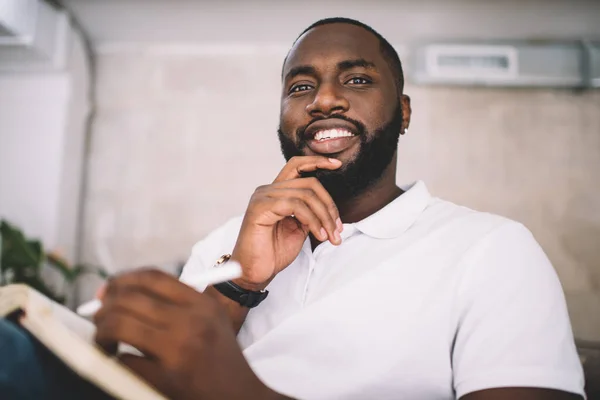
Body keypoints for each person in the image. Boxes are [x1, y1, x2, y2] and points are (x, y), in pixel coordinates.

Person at [0, 17, 585, 400]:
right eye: (300, 88)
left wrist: (234, 388)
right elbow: (149, 383)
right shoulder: (228, 242)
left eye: (356, 79)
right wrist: (239, 285)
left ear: (403, 112)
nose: (325, 99)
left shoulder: (493, 250)